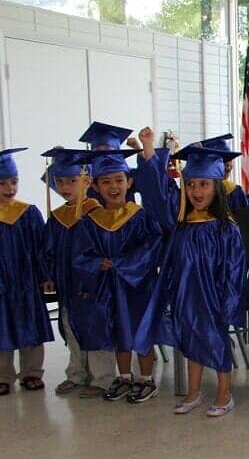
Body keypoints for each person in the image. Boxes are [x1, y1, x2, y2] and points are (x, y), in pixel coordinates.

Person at [135, 141, 248, 417]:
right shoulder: (182, 224)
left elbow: (235, 269)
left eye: (204, 184)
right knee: (189, 341)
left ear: (217, 187)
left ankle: (224, 393)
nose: (196, 191)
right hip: (185, 293)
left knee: (216, 341)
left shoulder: (226, 228)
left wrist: (229, 304)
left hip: (213, 296)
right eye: (191, 184)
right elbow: (159, 195)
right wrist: (149, 152)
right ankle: (194, 392)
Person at [69, 149, 163, 404]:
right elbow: (80, 255)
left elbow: (152, 246)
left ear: (129, 182)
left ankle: (146, 379)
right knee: (120, 334)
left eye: (119, 180)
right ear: (96, 187)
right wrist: (98, 262)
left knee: (139, 333)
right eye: (106, 181)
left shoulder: (141, 216)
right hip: (108, 287)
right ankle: (124, 376)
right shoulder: (90, 222)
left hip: (137, 287)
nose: (114, 186)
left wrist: (123, 263)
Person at [40, 148, 117, 398]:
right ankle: (76, 373)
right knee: (70, 328)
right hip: (67, 284)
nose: (65, 186)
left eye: (72, 181)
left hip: (93, 285)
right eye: (60, 181)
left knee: (96, 329)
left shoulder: (96, 212)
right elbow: (48, 250)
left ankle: (103, 378)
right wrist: (48, 275)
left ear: (86, 181)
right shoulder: (58, 217)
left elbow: (102, 251)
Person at [0, 148, 53, 396]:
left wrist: (45, 276)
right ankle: (3, 375)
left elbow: (42, 248)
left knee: (30, 324)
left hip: (26, 282)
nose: (9, 188)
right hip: (1, 284)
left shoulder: (28, 213)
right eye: (2, 183)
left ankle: (32, 372)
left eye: (13, 181)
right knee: (2, 326)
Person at [79, 122, 137, 204]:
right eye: (98, 151)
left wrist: (139, 149)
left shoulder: (128, 173)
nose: (104, 155)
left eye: (108, 150)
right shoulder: (87, 176)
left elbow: (150, 177)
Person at [199, 134, 249, 210]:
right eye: (223, 161)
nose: (229, 167)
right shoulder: (197, 194)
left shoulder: (235, 191)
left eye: (230, 160)